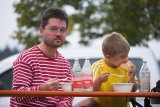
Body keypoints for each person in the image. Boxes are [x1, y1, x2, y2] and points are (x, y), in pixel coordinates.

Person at [10, 7, 73, 107]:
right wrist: (42, 89)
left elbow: (68, 96)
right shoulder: (27, 58)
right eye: (53, 29)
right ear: (41, 30)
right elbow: (18, 95)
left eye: (62, 30)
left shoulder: (65, 65)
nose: (58, 34)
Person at [91, 32, 138, 107]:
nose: (126, 60)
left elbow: (133, 90)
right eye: (122, 57)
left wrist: (132, 78)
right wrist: (99, 80)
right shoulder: (98, 66)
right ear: (108, 57)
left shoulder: (128, 67)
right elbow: (91, 90)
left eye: (127, 56)